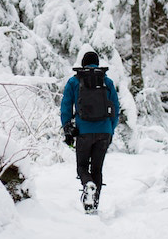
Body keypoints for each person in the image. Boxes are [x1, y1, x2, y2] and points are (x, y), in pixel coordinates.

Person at [60, 51, 120, 214]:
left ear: (83, 64)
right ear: (97, 64)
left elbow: (66, 106)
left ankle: (87, 185)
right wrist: (110, 130)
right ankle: (93, 205)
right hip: (104, 132)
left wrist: (67, 127)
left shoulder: (74, 81)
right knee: (97, 169)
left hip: (83, 132)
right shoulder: (107, 81)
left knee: (81, 166)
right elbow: (115, 108)